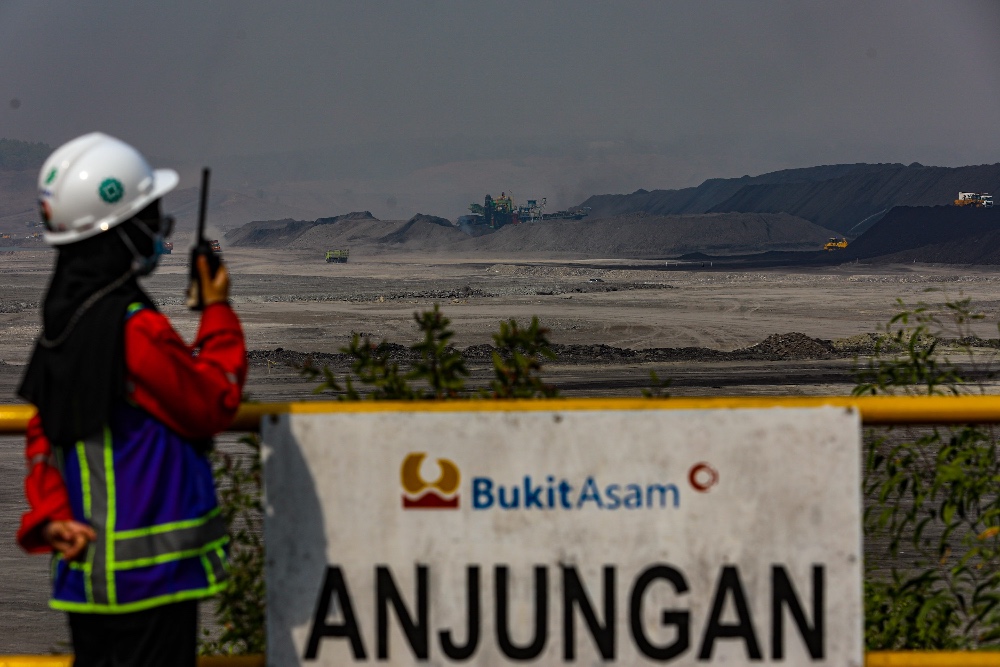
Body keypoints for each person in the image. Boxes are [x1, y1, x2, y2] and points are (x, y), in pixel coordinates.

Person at [15, 133, 247, 667]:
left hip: (89, 581)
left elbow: (42, 433)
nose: (157, 230)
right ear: (118, 234)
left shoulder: (66, 324)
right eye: (148, 217)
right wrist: (216, 312)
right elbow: (212, 400)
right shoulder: (133, 330)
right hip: (151, 583)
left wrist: (51, 513)